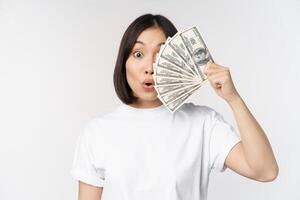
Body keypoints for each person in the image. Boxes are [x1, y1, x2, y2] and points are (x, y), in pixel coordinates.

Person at [70, 13, 279, 200]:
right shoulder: (97, 132)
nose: (149, 68)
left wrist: (234, 99)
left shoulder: (203, 123)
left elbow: (265, 170)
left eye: (160, 54)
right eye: (138, 54)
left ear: (177, 60)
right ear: (123, 62)